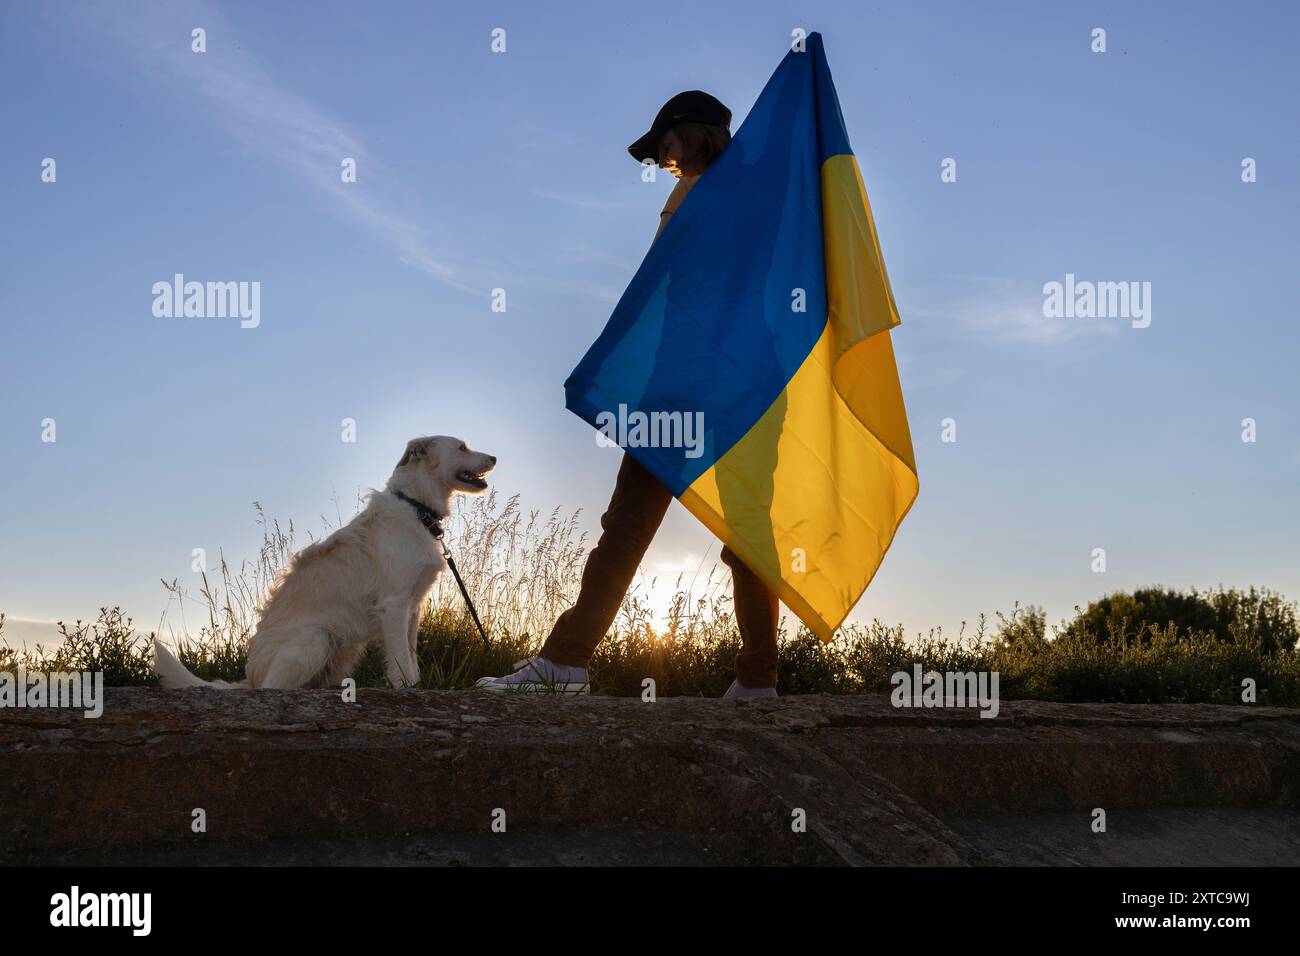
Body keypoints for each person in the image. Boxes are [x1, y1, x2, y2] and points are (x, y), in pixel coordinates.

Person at [477, 91, 780, 698]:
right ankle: (755, 681)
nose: (662, 157)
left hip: (704, 382)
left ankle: (571, 664)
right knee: (707, 525)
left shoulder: (742, 191)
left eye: (665, 142)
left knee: (658, 524)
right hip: (735, 380)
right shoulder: (725, 191)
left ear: (693, 131)